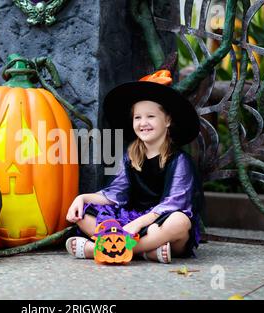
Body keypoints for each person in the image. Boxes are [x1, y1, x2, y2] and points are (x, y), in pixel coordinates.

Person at [65, 70, 205, 263]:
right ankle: (145, 252)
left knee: (179, 221)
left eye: (150, 116)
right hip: (131, 222)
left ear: (168, 121)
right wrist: (81, 198)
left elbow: (173, 204)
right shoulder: (131, 157)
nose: (143, 123)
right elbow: (115, 194)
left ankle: (98, 249)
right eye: (137, 117)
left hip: (158, 224)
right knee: (83, 214)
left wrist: (139, 224)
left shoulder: (179, 160)